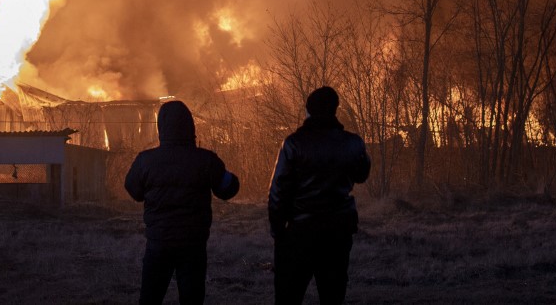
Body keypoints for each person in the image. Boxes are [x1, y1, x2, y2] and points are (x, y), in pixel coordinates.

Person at [125, 99, 240, 305]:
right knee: (192, 299)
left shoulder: (145, 160)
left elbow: (134, 190)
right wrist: (229, 177)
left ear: (161, 128)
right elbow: (227, 190)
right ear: (190, 126)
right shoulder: (206, 160)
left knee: (150, 299)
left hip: (158, 243)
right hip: (193, 244)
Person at [268, 86, 371, 305]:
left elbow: (278, 191)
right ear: (335, 109)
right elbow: (362, 174)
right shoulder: (353, 143)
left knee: (289, 296)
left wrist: (278, 231)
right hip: (338, 233)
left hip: (300, 233)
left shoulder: (294, 143)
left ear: (308, 110)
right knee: (332, 295)